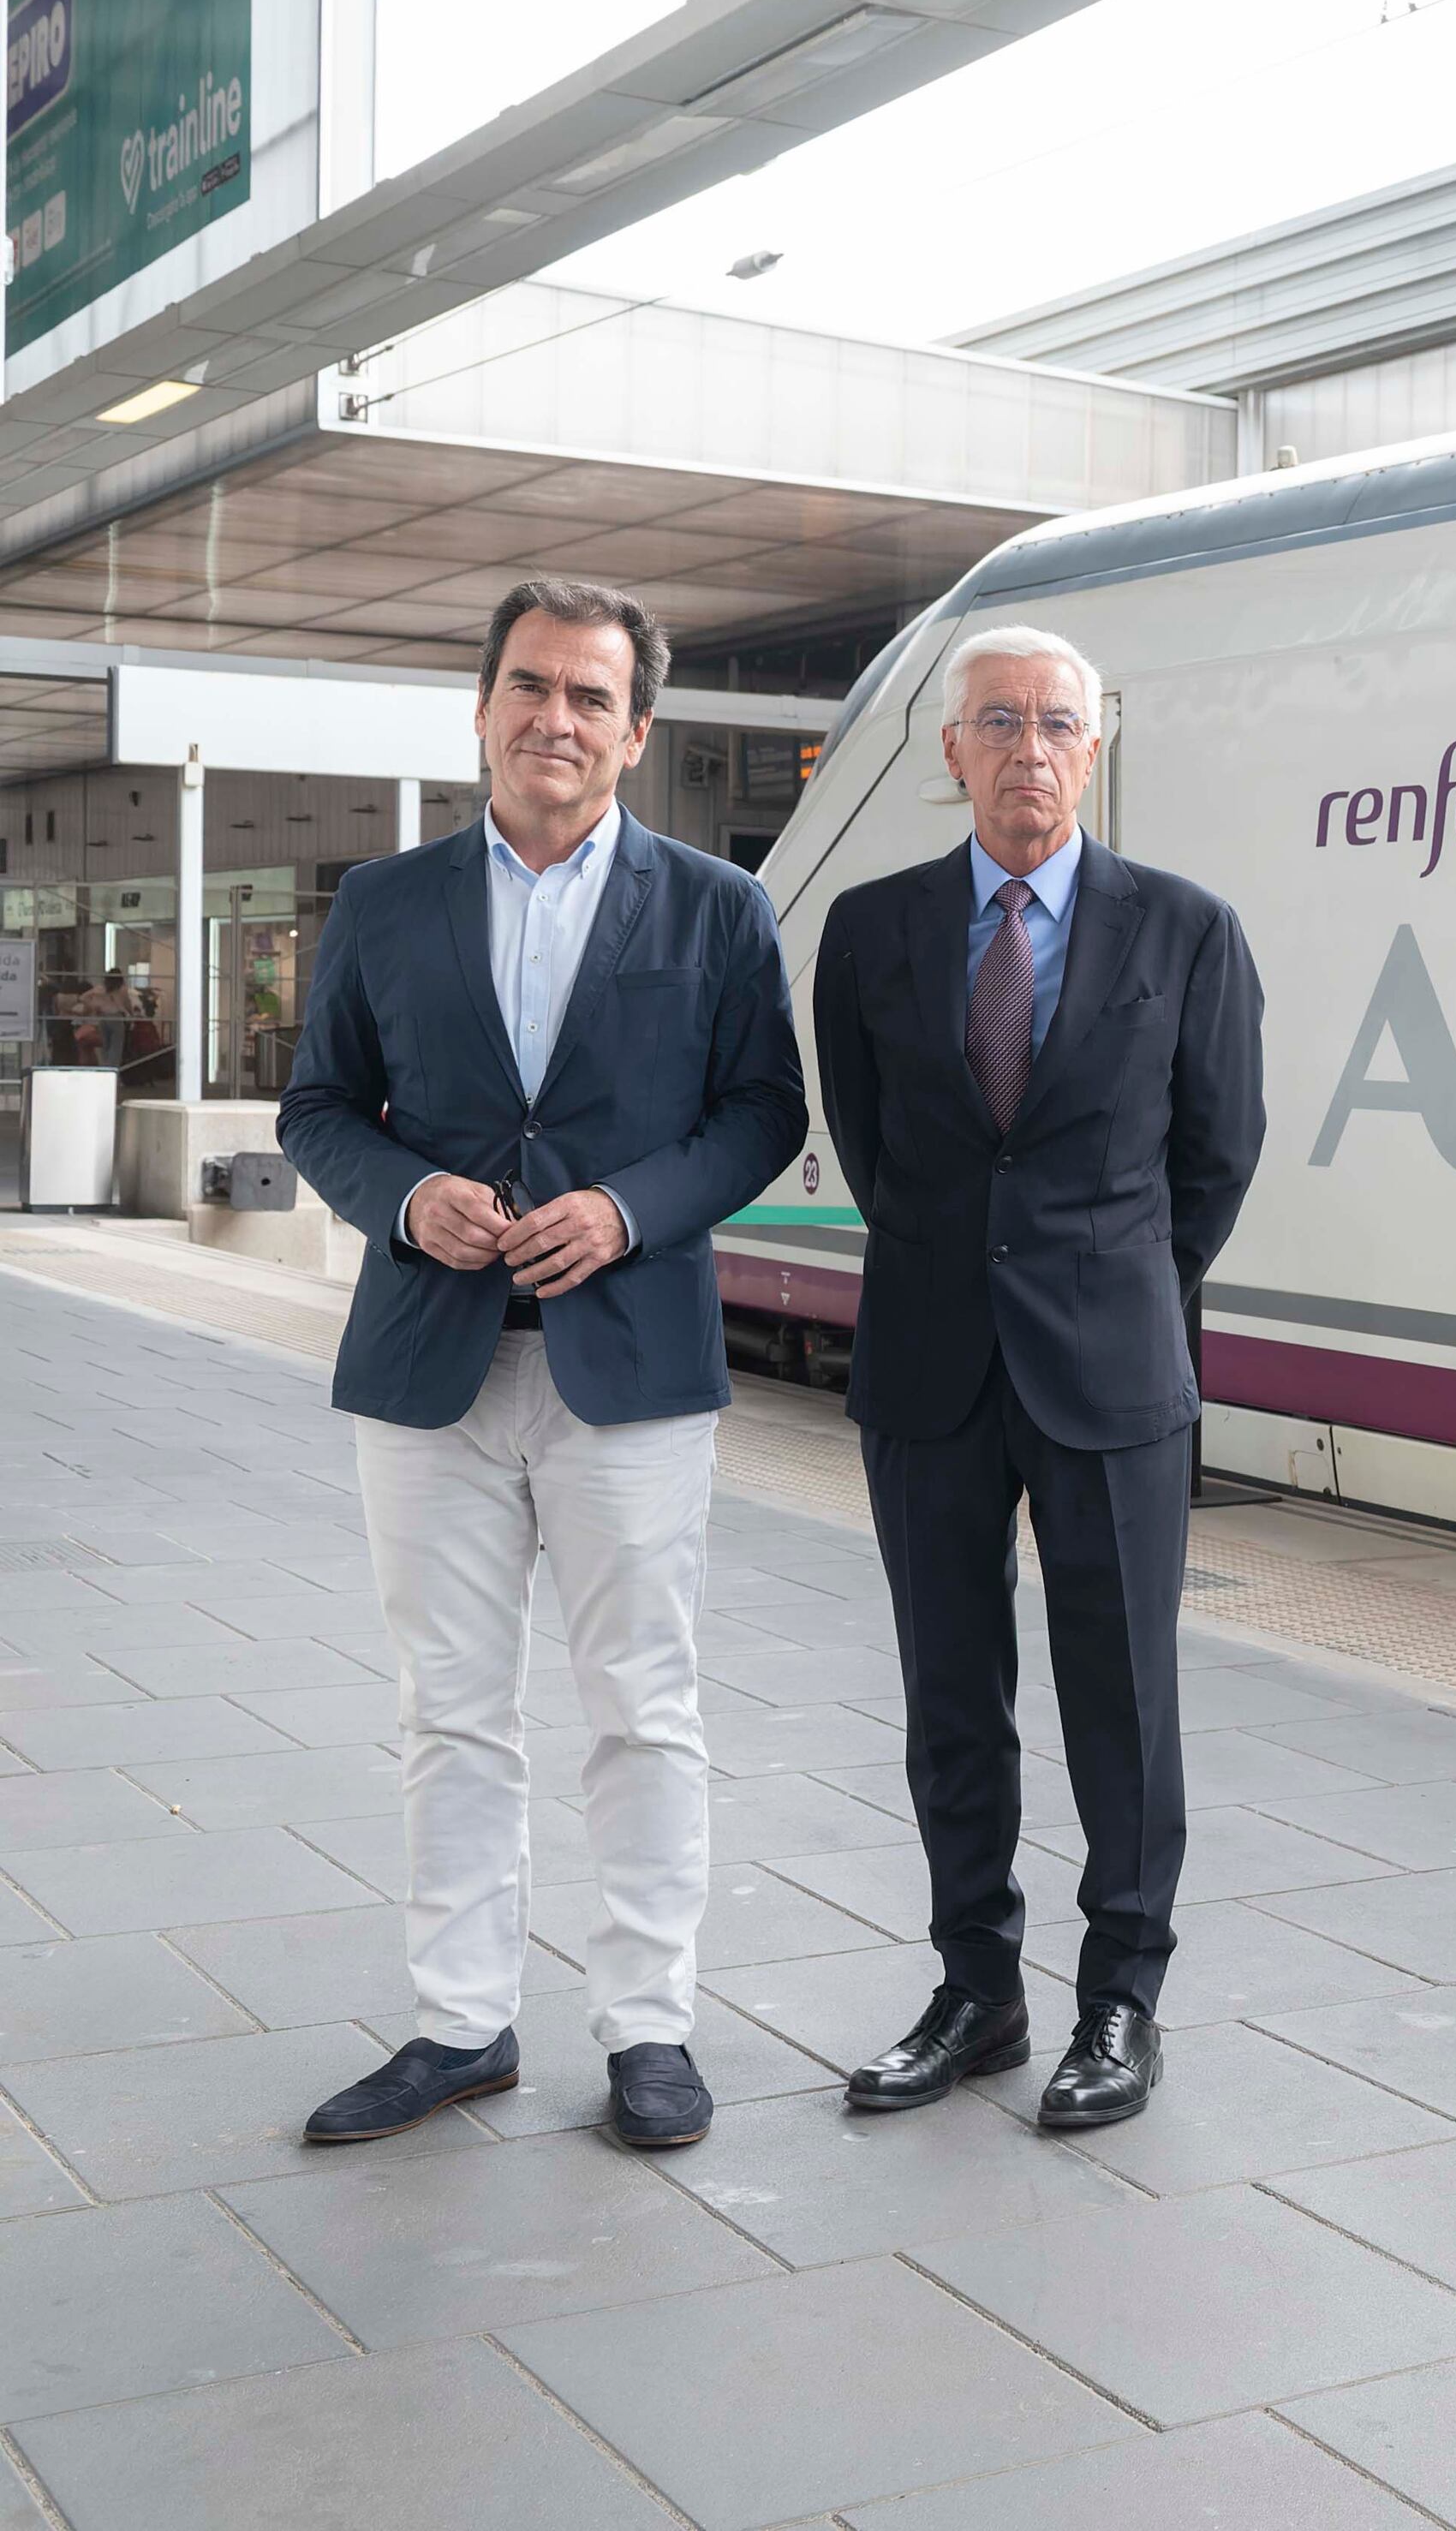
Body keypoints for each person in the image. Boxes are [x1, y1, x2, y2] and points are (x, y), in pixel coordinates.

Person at [275, 580, 804, 2152]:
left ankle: (649, 2023)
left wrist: (631, 1208)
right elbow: (315, 1109)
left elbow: (762, 1112)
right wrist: (402, 1195)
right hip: (429, 1369)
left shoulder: (718, 907)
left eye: (588, 695)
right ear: (484, 705)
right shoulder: (383, 900)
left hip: (628, 1370)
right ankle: (459, 2020)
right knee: (449, 1708)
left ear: (637, 732)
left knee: (642, 1701)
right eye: (528, 685)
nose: (552, 718)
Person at [809, 624, 1262, 2128]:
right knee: (951, 1692)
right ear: (950, 750)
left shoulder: (1186, 932)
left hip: (1114, 1367)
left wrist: (1110, 1280)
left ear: (1098, 743)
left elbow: (1217, 1156)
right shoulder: (870, 933)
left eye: (1057, 721)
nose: (1028, 748)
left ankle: (1121, 2003)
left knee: (1123, 1698)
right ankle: (976, 1991)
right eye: (997, 721)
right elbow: (878, 1155)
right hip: (929, 1356)